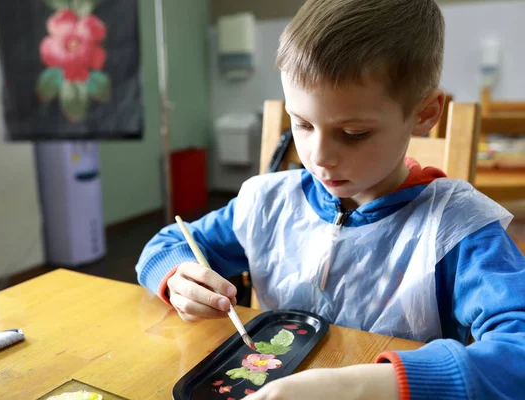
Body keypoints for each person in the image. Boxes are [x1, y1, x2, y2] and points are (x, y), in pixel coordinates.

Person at [136, 0, 525, 398]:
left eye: (353, 133)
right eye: (302, 124)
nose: (318, 157)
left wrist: (367, 386)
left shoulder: (457, 228)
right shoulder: (269, 203)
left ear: (425, 113)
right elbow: (166, 245)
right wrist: (178, 277)